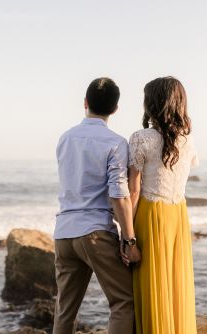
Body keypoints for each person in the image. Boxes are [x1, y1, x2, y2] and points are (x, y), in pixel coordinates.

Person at [53, 77, 141, 334]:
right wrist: (129, 240)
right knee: (124, 301)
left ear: (85, 102)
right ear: (115, 109)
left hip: (64, 233)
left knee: (65, 311)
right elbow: (119, 194)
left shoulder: (65, 139)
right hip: (94, 233)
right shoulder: (115, 142)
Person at [126, 76, 198, 333]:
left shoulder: (141, 138)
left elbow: (133, 191)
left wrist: (128, 236)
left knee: (152, 284)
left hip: (150, 214)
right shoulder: (188, 140)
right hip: (177, 214)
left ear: (152, 103)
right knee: (175, 282)